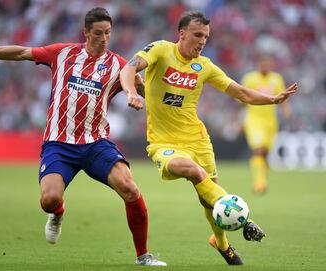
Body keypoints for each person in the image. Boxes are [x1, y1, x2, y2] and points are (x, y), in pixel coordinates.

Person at [0, 8, 166, 266]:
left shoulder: (117, 63)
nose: (104, 38)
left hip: (96, 143)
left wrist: (136, 93)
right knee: (49, 200)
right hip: (59, 144)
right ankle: (58, 213)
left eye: (107, 33)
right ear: (86, 32)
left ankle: (143, 256)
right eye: (98, 33)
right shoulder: (62, 53)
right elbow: (21, 52)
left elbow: (138, 82)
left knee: (129, 188)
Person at [120, 11, 297, 265]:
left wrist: (272, 99)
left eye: (206, 36)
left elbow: (241, 93)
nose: (202, 41)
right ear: (182, 34)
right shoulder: (160, 50)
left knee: (206, 197)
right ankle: (245, 220)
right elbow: (129, 67)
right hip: (163, 142)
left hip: (197, 139)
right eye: (198, 35)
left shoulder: (204, 66)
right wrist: (131, 92)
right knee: (191, 170)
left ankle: (221, 243)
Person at [241, 55, 292, 194]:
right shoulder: (250, 78)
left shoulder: (276, 79)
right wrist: (239, 120)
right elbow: (241, 97)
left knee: (265, 154)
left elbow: (283, 98)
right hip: (254, 120)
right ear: (259, 64)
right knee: (259, 150)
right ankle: (259, 184)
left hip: (271, 121)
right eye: (263, 64)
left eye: (268, 64)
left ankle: (262, 180)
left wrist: (287, 111)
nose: (265, 66)